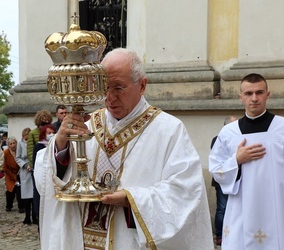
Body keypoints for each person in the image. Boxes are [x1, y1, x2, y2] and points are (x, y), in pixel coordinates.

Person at [34, 48, 214, 249]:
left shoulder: (168, 130)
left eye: (118, 88)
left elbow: (185, 191)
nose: (109, 98)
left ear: (142, 85)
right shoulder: (87, 125)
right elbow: (47, 180)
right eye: (105, 87)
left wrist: (131, 199)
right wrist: (60, 145)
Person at [209, 73, 284, 249]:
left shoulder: (282, 128)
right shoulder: (228, 133)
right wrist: (236, 160)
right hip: (241, 208)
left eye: (259, 92)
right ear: (240, 97)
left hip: (277, 206)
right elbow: (216, 169)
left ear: (268, 94)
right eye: (249, 94)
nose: (254, 98)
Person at [210, 115, 237, 246]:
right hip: (222, 179)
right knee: (222, 208)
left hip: (235, 179)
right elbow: (216, 160)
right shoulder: (218, 139)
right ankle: (220, 235)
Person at [32, 124, 55, 230]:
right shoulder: (39, 146)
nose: (51, 135)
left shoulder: (55, 145)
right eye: (48, 133)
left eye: (52, 132)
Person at [16, 127, 37, 225]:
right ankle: (27, 216)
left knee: (34, 195)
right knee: (27, 196)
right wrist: (25, 165)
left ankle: (34, 216)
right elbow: (18, 157)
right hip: (25, 170)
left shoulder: (33, 142)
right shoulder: (20, 144)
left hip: (34, 168)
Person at [3, 136, 24, 213]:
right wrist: (13, 176)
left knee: (19, 189)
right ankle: (9, 206)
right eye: (11, 144)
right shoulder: (6, 153)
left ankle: (21, 207)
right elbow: (4, 167)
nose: (13, 145)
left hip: (19, 174)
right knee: (10, 191)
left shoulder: (19, 151)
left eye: (14, 143)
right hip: (9, 174)